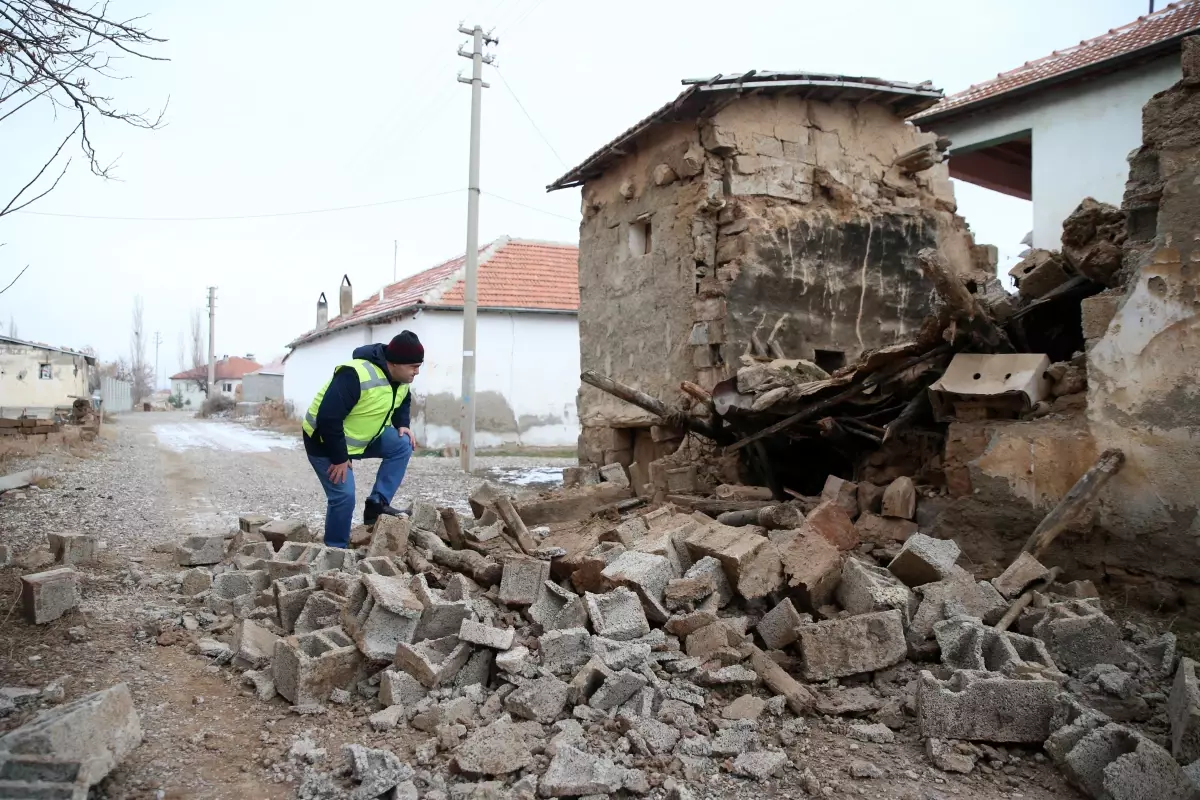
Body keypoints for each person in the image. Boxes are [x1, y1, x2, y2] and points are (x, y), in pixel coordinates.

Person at [301, 331, 423, 548]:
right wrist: (339, 457)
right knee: (344, 497)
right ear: (393, 363)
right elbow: (328, 418)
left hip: (366, 437)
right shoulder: (355, 374)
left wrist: (403, 423)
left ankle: (377, 504)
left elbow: (403, 399)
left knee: (403, 444)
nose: (417, 372)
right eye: (413, 366)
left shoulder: (400, 379)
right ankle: (336, 548)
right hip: (324, 440)